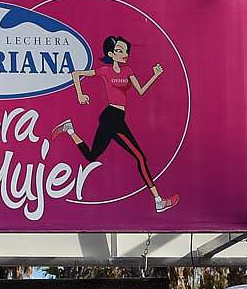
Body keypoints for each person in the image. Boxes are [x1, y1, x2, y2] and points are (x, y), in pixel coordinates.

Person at [54, 36, 177, 213]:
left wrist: (155, 75)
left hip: (116, 117)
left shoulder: (128, 70)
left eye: (125, 50)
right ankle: (158, 201)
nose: (124, 54)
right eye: (119, 50)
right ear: (111, 54)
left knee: (91, 156)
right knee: (140, 157)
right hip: (111, 117)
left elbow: (141, 91)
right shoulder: (105, 71)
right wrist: (80, 94)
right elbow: (76, 74)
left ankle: (70, 129)